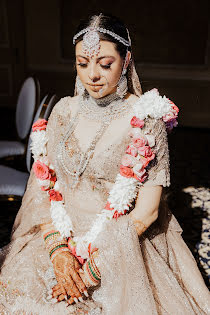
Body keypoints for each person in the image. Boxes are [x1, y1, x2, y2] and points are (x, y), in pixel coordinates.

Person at [0, 13, 209, 315]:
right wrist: (59, 253)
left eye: (105, 64)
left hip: (121, 240)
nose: (92, 75)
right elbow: (43, 187)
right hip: (59, 234)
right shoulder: (63, 111)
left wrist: (94, 269)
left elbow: (147, 212)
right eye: (82, 64)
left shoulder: (146, 118)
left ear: (125, 61)